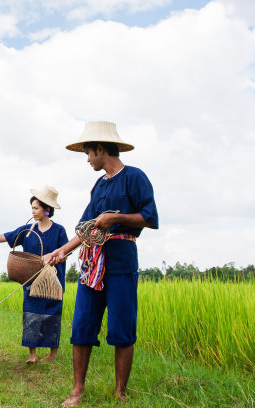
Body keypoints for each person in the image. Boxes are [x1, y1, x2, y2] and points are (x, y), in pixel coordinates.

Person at [46, 121, 158, 407]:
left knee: (122, 329)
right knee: (82, 325)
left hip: (121, 260)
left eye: (88, 153)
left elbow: (149, 217)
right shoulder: (99, 185)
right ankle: (77, 390)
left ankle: (120, 391)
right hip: (92, 264)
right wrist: (62, 250)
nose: (87, 159)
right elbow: (85, 229)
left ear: (100, 149)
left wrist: (115, 218)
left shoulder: (134, 177)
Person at [0, 186, 69, 364]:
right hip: (31, 281)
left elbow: (65, 252)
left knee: (52, 315)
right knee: (31, 315)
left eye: (36, 208)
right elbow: (6, 237)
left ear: (47, 209)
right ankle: (32, 354)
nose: (33, 212)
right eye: (32, 209)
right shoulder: (28, 231)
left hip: (53, 281)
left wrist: (56, 259)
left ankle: (52, 354)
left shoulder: (59, 231)